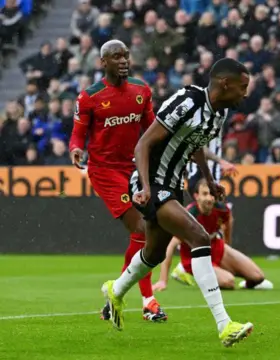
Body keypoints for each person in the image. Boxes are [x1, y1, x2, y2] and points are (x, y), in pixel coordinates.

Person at [100, 58, 253, 347]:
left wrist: (208, 178)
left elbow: (194, 144)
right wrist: (145, 187)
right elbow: (143, 144)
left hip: (171, 187)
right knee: (198, 236)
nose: (245, 93)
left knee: (154, 254)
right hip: (150, 183)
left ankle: (115, 290)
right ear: (225, 83)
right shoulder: (187, 100)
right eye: (242, 87)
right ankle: (224, 324)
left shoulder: (218, 114)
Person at [68, 40, 168, 322]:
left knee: (148, 230)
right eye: (116, 56)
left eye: (125, 55)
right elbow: (78, 134)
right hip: (104, 171)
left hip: (135, 168)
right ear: (103, 62)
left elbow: (151, 130)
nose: (123, 60)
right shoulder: (89, 97)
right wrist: (76, 149)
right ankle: (148, 301)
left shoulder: (141, 90)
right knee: (141, 227)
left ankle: (117, 298)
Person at [152, 178, 274, 291]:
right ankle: (184, 269)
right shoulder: (189, 217)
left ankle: (238, 281)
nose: (209, 198)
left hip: (216, 248)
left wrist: (227, 245)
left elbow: (229, 220)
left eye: (211, 194)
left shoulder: (221, 209)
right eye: (205, 194)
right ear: (196, 196)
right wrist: (163, 280)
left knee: (258, 277)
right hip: (195, 258)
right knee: (228, 282)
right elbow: (170, 246)